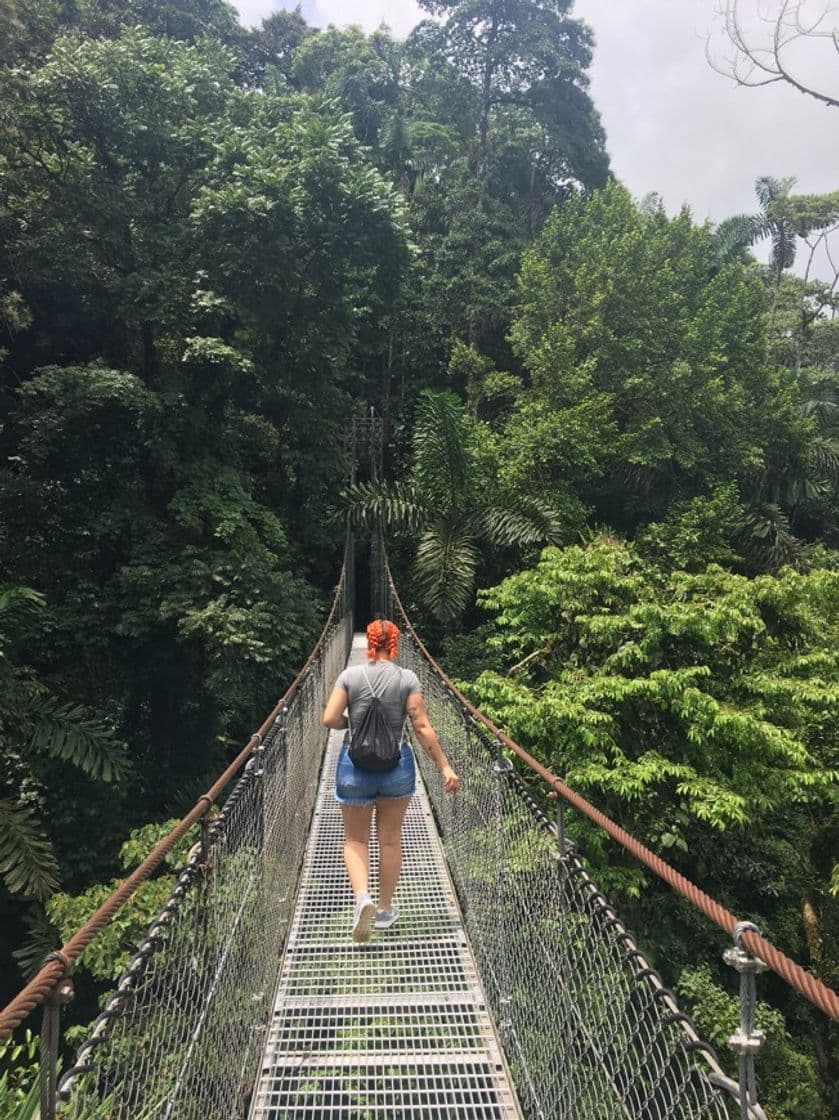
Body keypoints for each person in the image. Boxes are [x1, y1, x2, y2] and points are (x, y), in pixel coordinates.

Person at [322, 619, 460, 942]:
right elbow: (421, 726)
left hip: (354, 769)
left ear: (368, 643)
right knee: (390, 840)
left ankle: (362, 900)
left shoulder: (350, 675)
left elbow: (328, 718)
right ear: (395, 643)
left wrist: (354, 725)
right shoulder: (407, 679)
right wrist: (444, 767)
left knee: (356, 840)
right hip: (396, 769)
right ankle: (384, 910)